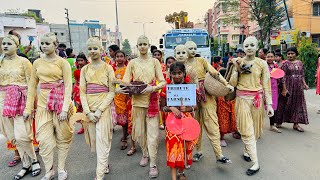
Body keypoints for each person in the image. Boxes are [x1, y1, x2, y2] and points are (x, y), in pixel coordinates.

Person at [24, 32, 74, 180]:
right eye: (43, 43)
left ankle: (61, 169)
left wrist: (65, 108)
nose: (44, 46)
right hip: (42, 106)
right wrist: (28, 108)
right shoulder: (37, 63)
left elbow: (68, 86)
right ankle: (49, 170)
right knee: (44, 141)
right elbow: (32, 87)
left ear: (55, 45)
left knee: (63, 137)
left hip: (60, 106)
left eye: (48, 43)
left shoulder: (62, 62)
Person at [119, 35, 166, 178]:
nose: (143, 46)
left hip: (151, 101)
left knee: (152, 134)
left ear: (149, 45)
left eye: (145, 44)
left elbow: (162, 82)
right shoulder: (132, 63)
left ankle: (153, 163)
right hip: (137, 103)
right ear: (137, 46)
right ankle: (145, 154)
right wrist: (128, 87)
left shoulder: (155, 62)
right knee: (141, 133)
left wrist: (152, 88)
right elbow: (126, 80)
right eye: (140, 44)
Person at [229, 36, 274, 176]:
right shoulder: (239, 62)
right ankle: (256, 163)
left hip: (257, 100)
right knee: (246, 130)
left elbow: (266, 85)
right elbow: (233, 84)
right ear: (243, 47)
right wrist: (237, 69)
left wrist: (270, 104)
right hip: (242, 99)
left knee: (253, 129)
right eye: (246, 45)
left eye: (252, 45)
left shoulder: (262, 63)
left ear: (256, 46)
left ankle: (246, 150)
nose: (249, 48)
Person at [184, 41, 233, 165]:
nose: (193, 50)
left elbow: (214, 73)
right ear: (186, 49)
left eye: (195, 48)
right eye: (190, 48)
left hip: (206, 94)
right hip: (190, 96)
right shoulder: (182, 64)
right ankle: (198, 151)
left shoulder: (201, 61)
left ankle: (219, 154)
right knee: (195, 124)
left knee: (212, 123)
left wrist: (226, 84)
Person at [0, 35, 41, 179]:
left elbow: (31, 85)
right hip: (3, 101)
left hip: (21, 100)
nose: (5, 46)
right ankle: (26, 164)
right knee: (12, 136)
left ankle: (34, 161)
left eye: (9, 43)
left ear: (16, 46)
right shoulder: (0, 62)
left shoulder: (24, 62)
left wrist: (30, 107)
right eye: (3, 43)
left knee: (22, 135)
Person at [80, 37, 116, 180]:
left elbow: (112, 91)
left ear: (101, 50)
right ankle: (104, 164)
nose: (93, 51)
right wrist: (88, 112)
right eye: (90, 49)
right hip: (89, 110)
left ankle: (99, 175)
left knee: (103, 141)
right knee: (95, 141)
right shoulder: (84, 69)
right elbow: (82, 92)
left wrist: (100, 110)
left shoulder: (108, 68)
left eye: (95, 48)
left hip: (103, 109)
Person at [160, 62, 197, 180]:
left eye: (179, 73)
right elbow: (162, 107)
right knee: (173, 147)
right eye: (174, 73)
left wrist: (187, 108)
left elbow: (195, 106)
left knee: (187, 146)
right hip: (172, 122)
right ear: (170, 74)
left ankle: (181, 172)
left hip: (187, 122)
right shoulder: (166, 88)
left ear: (184, 73)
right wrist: (171, 107)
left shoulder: (190, 87)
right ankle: (174, 177)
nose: (177, 76)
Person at [275, 47, 309, 132]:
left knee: (298, 105)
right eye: (288, 54)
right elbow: (282, 77)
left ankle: (296, 124)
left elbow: (302, 74)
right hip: (288, 86)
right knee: (284, 103)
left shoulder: (300, 63)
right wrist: (284, 89)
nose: (290, 55)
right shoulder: (285, 64)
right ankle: (279, 121)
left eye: (292, 53)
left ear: (296, 54)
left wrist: (304, 84)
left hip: (298, 87)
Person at [113, 50, 130, 150]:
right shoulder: (111, 69)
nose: (119, 58)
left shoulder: (128, 69)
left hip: (125, 96)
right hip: (115, 95)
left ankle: (124, 138)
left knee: (125, 119)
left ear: (125, 58)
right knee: (116, 117)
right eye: (117, 56)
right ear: (115, 58)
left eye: (121, 56)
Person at [265, 51, 281, 133]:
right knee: (261, 107)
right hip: (264, 88)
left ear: (274, 57)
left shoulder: (276, 65)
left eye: (271, 56)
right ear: (265, 57)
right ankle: (258, 124)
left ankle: (272, 125)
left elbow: (279, 76)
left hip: (274, 88)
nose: (270, 58)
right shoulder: (263, 65)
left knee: (273, 107)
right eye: (268, 56)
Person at [73, 53, 89, 134]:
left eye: (81, 60)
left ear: (85, 61)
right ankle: (83, 127)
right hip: (78, 92)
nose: (80, 62)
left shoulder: (89, 70)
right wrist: (73, 93)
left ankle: (89, 126)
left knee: (88, 109)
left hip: (88, 91)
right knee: (80, 109)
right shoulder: (76, 72)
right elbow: (76, 82)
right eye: (78, 60)